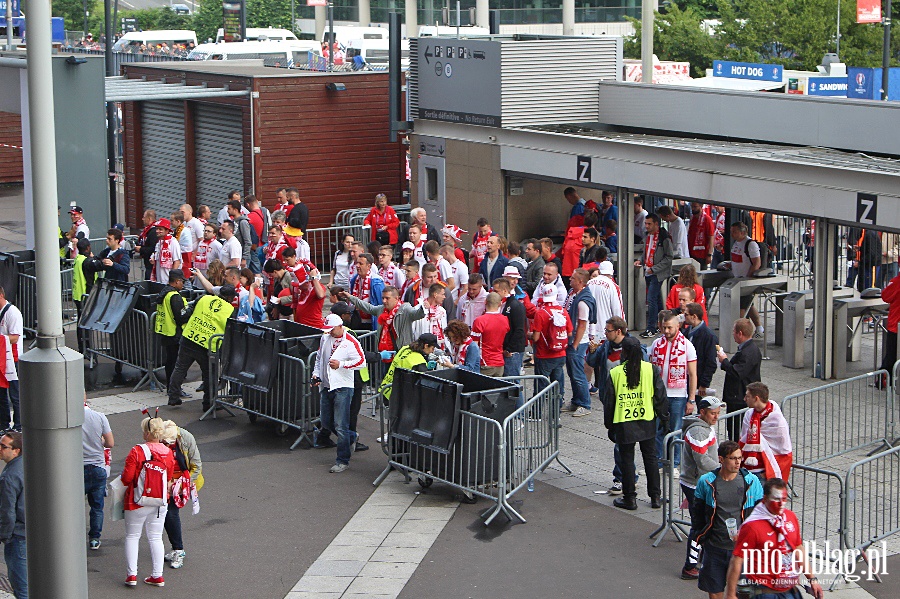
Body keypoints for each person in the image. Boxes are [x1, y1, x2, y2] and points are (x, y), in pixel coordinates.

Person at [725, 478, 823, 599]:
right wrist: (730, 594)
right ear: (765, 499)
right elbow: (737, 560)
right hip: (765, 593)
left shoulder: (790, 517)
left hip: (790, 591)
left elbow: (798, 548)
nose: (781, 503)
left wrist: (812, 579)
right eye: (776, 499)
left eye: (784, 499)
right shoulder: (752, 526)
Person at [603, 336, 667, 511]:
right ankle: (655, 497)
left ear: (623, 352)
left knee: (627, 461)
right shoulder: (650, 369)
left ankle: (630, 498)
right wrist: (664, 418)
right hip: (646, 419)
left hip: (624, 422)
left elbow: (609, 402)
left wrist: (609, 425)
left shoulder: (615, 373)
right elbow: (660, 396)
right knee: (651, 459)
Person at [694, 441, 764, 599]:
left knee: (742, 594)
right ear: (721, 459)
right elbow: (697, 513)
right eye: (733, 458)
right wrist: (700, 536)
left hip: (741, 549)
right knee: (715, 592)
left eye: (740, 458)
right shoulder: (707, 482)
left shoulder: (751, 481)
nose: (738, 462)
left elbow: (761, 515)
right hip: (715, 547)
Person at [121, 417, 176, 587]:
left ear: (146, 432)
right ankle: (157, 575)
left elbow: (127, 478)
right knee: (155, 537)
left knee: (132, 536)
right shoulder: (168, 453)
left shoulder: (137, 451)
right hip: (160, 502)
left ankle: (132, 575)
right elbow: (170, 477)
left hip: (136, 500)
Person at [312, 314, 366, 473]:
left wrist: (342, 364)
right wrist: (316, 374)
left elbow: (361, 361)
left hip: (343, 386)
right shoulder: (325, 338)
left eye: (332, 329)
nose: (329, 333)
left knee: (340, 424)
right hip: (327, 385)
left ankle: (342, 459)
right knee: (326, 422)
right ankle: (351, 437)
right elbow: (319, 358)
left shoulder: (350, 341)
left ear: (340, 326)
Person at [167, 287, 236, 411]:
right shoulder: (230, 310)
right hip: (207, 346)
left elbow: (188, 312)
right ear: (231, 298)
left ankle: (173, 396)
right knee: (210, 375)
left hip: (189, 337)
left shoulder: (203, 298)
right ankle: (208, 403)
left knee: (180, 368)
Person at [678, 396, 724, 580]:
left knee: (706, 523)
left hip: (700, 483)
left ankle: (703, 560)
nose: (716, 417)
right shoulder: (698, 432)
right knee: (700, 526)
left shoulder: (704, 427)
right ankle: (690, 567)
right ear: (703, 412)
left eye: (718, 413)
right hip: (696, 484)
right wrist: (723, 470)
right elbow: (702, 460)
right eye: (713, 413)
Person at [649, 311, 698, 469]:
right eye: (664, 328)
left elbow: (692, 374)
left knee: (676, 430)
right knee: (656, 430)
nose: (667, 331)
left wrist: (691, 399)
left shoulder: (687, 346)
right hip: (658, 394)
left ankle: (675, 464)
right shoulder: (656, 344)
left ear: (678, 326)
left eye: (670, 327)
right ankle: (657, 461)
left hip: (677, 396)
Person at [161, 420, 203, 570]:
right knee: (164, 515)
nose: (166, 445)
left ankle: (178, 550)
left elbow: (196, 465)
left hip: (180, 482)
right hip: (165, 481)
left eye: (169, 443)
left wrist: (181, 485)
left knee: (171, 514)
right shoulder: (161, 436)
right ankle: (175, 548)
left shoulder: (186, 438)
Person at [342, 286, 425, 358]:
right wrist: (350, 297)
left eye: (387, 298)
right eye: (383, 298)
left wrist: (423, 308)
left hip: (400, 354)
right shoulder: (381, 309)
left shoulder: (405, 309)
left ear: (396, 298)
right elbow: (368, 308)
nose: (384, 301)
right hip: (385, 353)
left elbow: (416, 314)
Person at [717, 318, 762, 441]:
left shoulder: (748, 352)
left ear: (740, 333)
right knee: (733, 429)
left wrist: (724, 361)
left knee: (736, 431)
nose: (732, 334)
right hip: (738, 397)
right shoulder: (745, 348)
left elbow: (737, 373)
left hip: (740, 398)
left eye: (734, 331)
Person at [739, 382, 793, 483]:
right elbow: (743, 439)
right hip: (748, 468)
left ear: (756, 398)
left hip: (764, 471)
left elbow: (782, 450)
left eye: (747, 396)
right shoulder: (748, 414)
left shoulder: (777, 421)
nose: (744, 399)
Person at [563, 268, 596, 417]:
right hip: (574, 340)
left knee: (577, 373)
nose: (570, 281)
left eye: (572, 279)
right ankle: (577, 400)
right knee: (572, 372)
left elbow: (582, 324)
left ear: (580, 282)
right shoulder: (575, 295)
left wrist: (575, 344)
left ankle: (584, 403)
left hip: (578, 341)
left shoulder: (582, 301)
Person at [531, 284, 572, 400]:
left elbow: (536, 338)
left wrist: (529, 335)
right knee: (558, 386)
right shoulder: (563, 311)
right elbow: (569, 333)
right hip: (560, 353)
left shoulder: (541, 313)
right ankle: (556, 414)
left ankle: (537, 414)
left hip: (544, 354)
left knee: (540, 387)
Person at [635, 214, 673, 338]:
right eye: (645, 223)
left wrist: (655, 269)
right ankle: (661, 323)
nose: (646, 226)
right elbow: (646, 252)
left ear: (656, 224)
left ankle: (651, 327)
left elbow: (668, 257)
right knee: (656, 299)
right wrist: (641, 261)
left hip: (657, 273)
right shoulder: (647, 236)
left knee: (651, 298)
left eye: (649, 224)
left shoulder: (664, 238)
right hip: (648, 271)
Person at [154, 271, 190, 401]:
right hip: (175, 333)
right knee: (176, 364)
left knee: (170, 362)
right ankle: (175, 389)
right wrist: (189, 311)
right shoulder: (174, 296)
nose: (183, 284)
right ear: (176, 281)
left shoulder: (164, 293)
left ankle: (171, 387)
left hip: (166, 332)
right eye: (182, 282)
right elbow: (180, 317)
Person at [724, 222, 764, 336]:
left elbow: (757, 262)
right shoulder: (736, 243)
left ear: (742, 232)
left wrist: (748, 277)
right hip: (737, 279)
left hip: (745, 281)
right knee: (749, 306)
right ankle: (759, 328)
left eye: (734, 231)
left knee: (742, 308)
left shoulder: (750, 244)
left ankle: (741, 331)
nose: (732, 234)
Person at [83, 402, 114, 550]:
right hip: (97, 468)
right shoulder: (100, 417)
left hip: (77, 469)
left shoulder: (69, 418)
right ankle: (94, 538)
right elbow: (110, 443)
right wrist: (99, 441)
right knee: (97, 506)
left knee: (73, 506)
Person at [0, 431, 25, 598]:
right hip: (32, 533)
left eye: (3, 446)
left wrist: (4, 536)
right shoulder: (28, 466)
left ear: (16, 450)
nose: (0, 449)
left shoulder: (9, 477)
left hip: (18, 537)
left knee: (22, 587)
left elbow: (7, 511)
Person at [379, 334, 437, 401]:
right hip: (397, 397)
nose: (432, 351)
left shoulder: (405, 348)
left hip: (386, 389)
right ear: (426, 346)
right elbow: (425, 381)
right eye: (432, 348)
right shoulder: (418, 361)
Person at [0, 287, 23, 431]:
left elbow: (15, 338)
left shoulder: (12, 312)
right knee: (2, 393)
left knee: (15, 395)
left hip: (13, 358)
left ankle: (19, 425)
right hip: (3, 356)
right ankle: (4, 424)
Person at [684, 302, 718, 399]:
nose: (683, 317)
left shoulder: (708, 336)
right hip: (687, 376)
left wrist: (704, 384)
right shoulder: (688, 330)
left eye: (686, 315)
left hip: (699, 379)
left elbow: (711, 362)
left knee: (701, 407)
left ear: (694, 316)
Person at [472, 292, 509, 377]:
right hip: (499, 362)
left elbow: (474, 345)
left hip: (485, 362)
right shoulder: (505, 320)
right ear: (500, 304)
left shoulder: (480, 321)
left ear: (485, 302)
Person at [349, 253, 384, 331]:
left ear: (369, 266)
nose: (357, 266)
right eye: (357, 263)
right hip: (357, 319)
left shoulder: (377, 282)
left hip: (372, 322)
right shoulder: (354, 280)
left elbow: (381, 304)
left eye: (361, 264)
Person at [878, 269, 900, 385]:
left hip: (896, 325)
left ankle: (883, 380)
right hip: (896, 324)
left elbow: (885, 296)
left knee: (891, 355)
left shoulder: (897, 282)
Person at [150, 218, 183, 284]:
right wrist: (153, 258)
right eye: (157, 229)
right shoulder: (159, 242)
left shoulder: (173, 242)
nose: (157, 231)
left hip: (168, 281)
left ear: (167, 230)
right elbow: (156, 254)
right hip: (159, 280)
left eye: (160, 229)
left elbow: (177, 262)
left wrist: (172, 280)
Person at [688, 202, 716, 270]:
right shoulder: (693, 218)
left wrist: (709, 254)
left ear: (701, 206)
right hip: (692, 252)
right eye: (692, 206)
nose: (693, 209)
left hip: (702, 254)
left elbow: (711, 237)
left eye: (695, 207)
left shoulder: (707, 219)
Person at [227, 199, 253, 269]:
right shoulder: (233, 222)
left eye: (229, 209)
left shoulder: (243, 222)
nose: (227, 211)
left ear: (235, 210)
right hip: (236, 255)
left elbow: (248, 241)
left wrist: (244, 258)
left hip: (242, 257)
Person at [135, 209, 159, 279]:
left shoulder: (153, 231)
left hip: (151, 265)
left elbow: (152, 248)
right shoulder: (147, 230)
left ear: (149, 219)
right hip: (147, 263)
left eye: (144, 217)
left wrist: (141, 249)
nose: (142, 219)